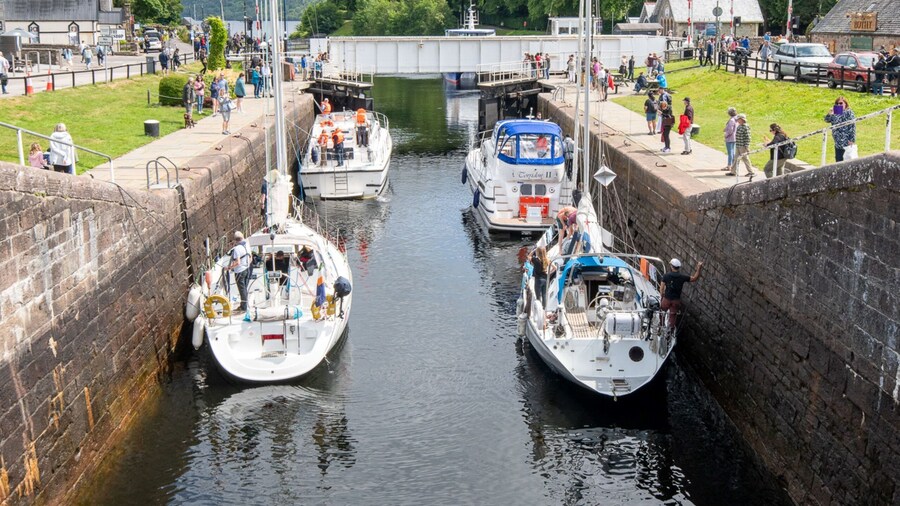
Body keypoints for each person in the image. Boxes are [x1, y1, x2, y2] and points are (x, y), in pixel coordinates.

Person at [659, 258, 703, 331]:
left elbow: (661, 289)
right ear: (678, 267)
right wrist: (699, 268)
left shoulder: (666, 276)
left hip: (666, 299)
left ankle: (661, 327)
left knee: (662, 312)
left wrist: (662, 296)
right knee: (673, 315)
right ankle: (670, 331)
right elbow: (694, 278)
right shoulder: (682, 277)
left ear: (671, 266)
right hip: (676, 300)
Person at [824, 96, 856, 162]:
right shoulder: (836, 112)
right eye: (837, 103)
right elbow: (827, 120)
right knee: (838, 160)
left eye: (841, 103)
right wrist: (830, 113)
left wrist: (851, 140)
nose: (839, 105)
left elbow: (852, 126)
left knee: (847, 160)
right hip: (837, 141)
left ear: (845, 104)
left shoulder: (849, 112)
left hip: (846, 141)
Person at [228, 232, 251, 312]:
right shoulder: (247, 245)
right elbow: (250, 258)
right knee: (245, 288)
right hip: (247, 269)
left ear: (235, 240)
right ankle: (244, 304)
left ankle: (244, 307)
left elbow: (237, 262)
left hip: (240, 271)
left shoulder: (237, 249)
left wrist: (229, 268)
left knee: (242, 289)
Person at [727, 113, 755, 178]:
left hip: (743, 146)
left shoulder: (745, 127)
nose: (737, 121)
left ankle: (751, 172)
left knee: (745, 159)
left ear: (742, 119)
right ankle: (733, 172)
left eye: (738, 119)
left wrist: (747, 146)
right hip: (738, 145)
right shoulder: (739, 126)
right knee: (736, 159)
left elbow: (748, 137)